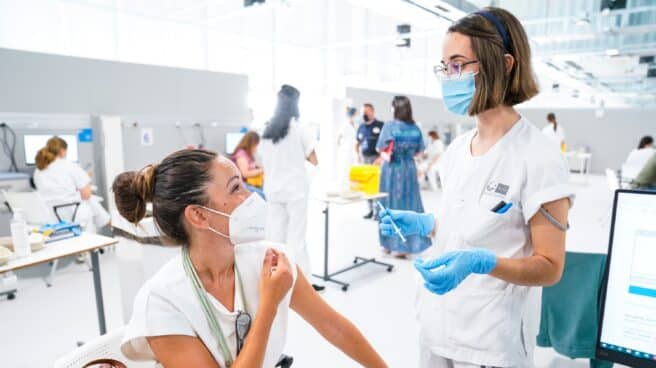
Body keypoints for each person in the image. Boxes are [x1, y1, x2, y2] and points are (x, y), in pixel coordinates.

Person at [380, 8, 574, 368]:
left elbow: (550, 266)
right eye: (444, 67)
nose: (448, 77)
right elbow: (466, 227)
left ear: (502, 64)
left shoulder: (538, 157)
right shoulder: (458, 150)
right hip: (437, 330)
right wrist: (426, 224)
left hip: (490, 343)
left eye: (458, 65)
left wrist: (483, 263)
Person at [113, 149, 387, 368]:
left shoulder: (269, 261)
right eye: (236, 188)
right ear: (198, 215)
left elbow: (332, 326)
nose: (252, 197)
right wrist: (269, 304)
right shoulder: (161, 303)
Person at [259, 85, 324, 291]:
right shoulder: (300, 128)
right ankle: (301, 284)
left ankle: (274, 278)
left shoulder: (266, 130)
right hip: (296, 190)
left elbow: (262, 160)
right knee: (296, 237)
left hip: (273, 189)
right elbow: (314, 160)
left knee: (275, 236)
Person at [377, 96, 432, 259]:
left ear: (395, 109)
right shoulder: (415, 128)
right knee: (410, 206)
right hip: (409, 169)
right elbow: (420, 151)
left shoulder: (389, 126)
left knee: (388, 205)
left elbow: (381, 147)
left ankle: (388, 244)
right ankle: (405, 247)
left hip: (392, 169)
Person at [33, 136, 110, 232]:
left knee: (93, 205)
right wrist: (86, 181)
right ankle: (111, 225)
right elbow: (86, 194)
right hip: (74, 214)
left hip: (51, 217)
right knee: (92, 202)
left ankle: (109, 223)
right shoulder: (70, 166)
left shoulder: (38, 170)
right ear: (62, 151)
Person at [356, 103, 384, 219]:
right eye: (363, 112)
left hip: (376, 159)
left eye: (367, 111)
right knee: (367, 187)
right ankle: (370, 210)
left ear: (372, 112)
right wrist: (358, 155)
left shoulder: (381, 125)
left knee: (376, 186)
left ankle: (378, 212)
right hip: (365, 160)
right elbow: (357, 143)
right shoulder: (361, 127)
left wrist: (381, 157)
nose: (365, 114)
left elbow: (387, 144)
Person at [231, 131, 265, 199]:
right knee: (264, 196)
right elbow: (245, 174)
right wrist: (262, 170)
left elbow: (251, 165)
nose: (257, 148)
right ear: (251, 143)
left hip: (248, 183)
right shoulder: (241, 154)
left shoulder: (248, 154)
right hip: (242, 184)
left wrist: (256, 166)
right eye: (256, 145)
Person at [336, 106, 359, 191]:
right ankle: (343, 188)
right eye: (356, 114)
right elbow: (338, 137)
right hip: (346, 150)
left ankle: (351, 187)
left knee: (353, 168)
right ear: (352, 115)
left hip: (353, 150)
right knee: (344, 168)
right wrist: (341, 146)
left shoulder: (355, 125)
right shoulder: (345, 125)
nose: (357, 116)